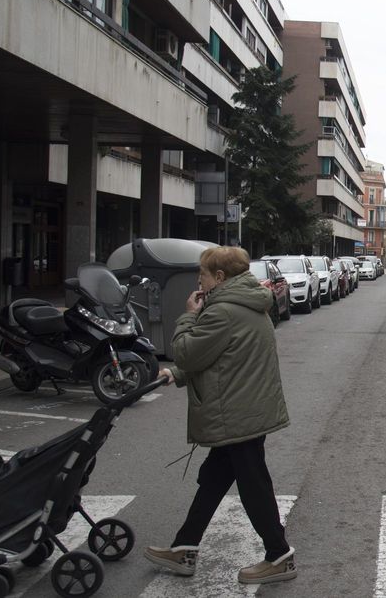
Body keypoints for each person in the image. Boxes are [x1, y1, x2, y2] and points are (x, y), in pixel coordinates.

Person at [143, 246, 295, 585]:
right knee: (213, 479)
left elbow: (186, 350)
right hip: (246, 407)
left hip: (237, 413)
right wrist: (177, 375)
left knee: (253, 485)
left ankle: (279, 554)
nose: (199, 280)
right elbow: (223, 356)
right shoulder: (249, 303)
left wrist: (188, 316)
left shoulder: (221, 311)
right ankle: (185, 546)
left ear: (220, 278)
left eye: (203, 274)